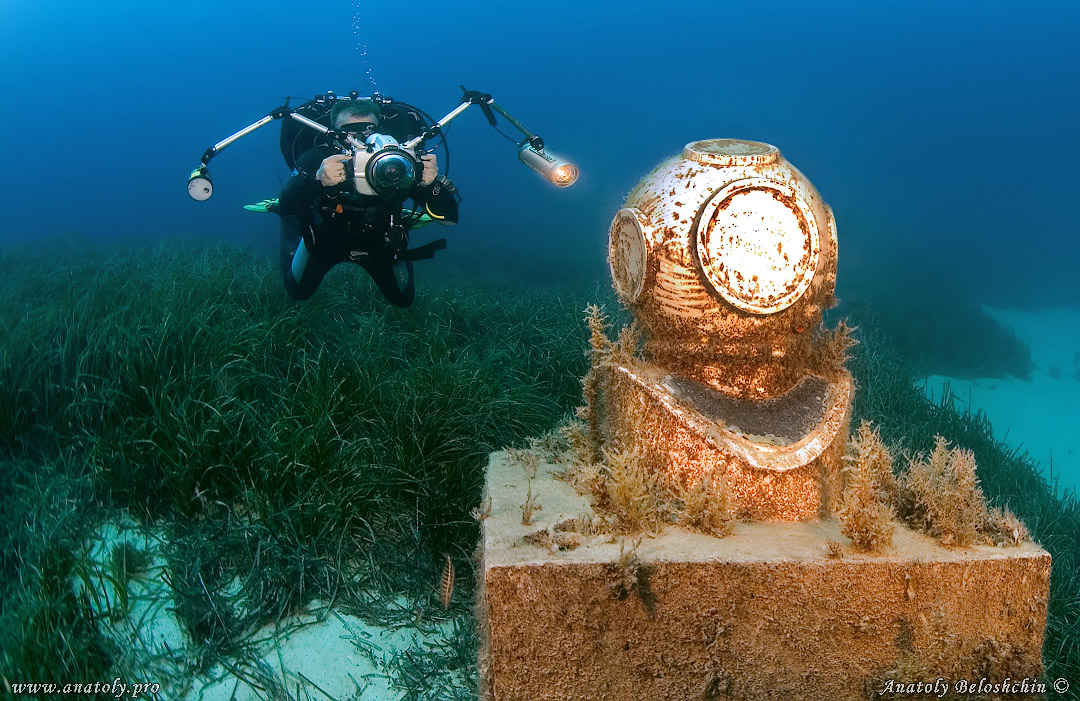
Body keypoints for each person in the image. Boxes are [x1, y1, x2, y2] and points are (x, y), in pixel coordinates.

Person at [275, 99, 458, 306]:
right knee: (297, 291)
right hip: (323, 241)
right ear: (334, 134)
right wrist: (317, 181)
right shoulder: (318, 158)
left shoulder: (397, 160)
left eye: (369, 129)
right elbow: (286, 204)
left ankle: (401, 222)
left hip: (381, 244)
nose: (361, 137)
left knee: (403, 300)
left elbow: (450, 220)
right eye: (350, 132)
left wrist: (428, 185)